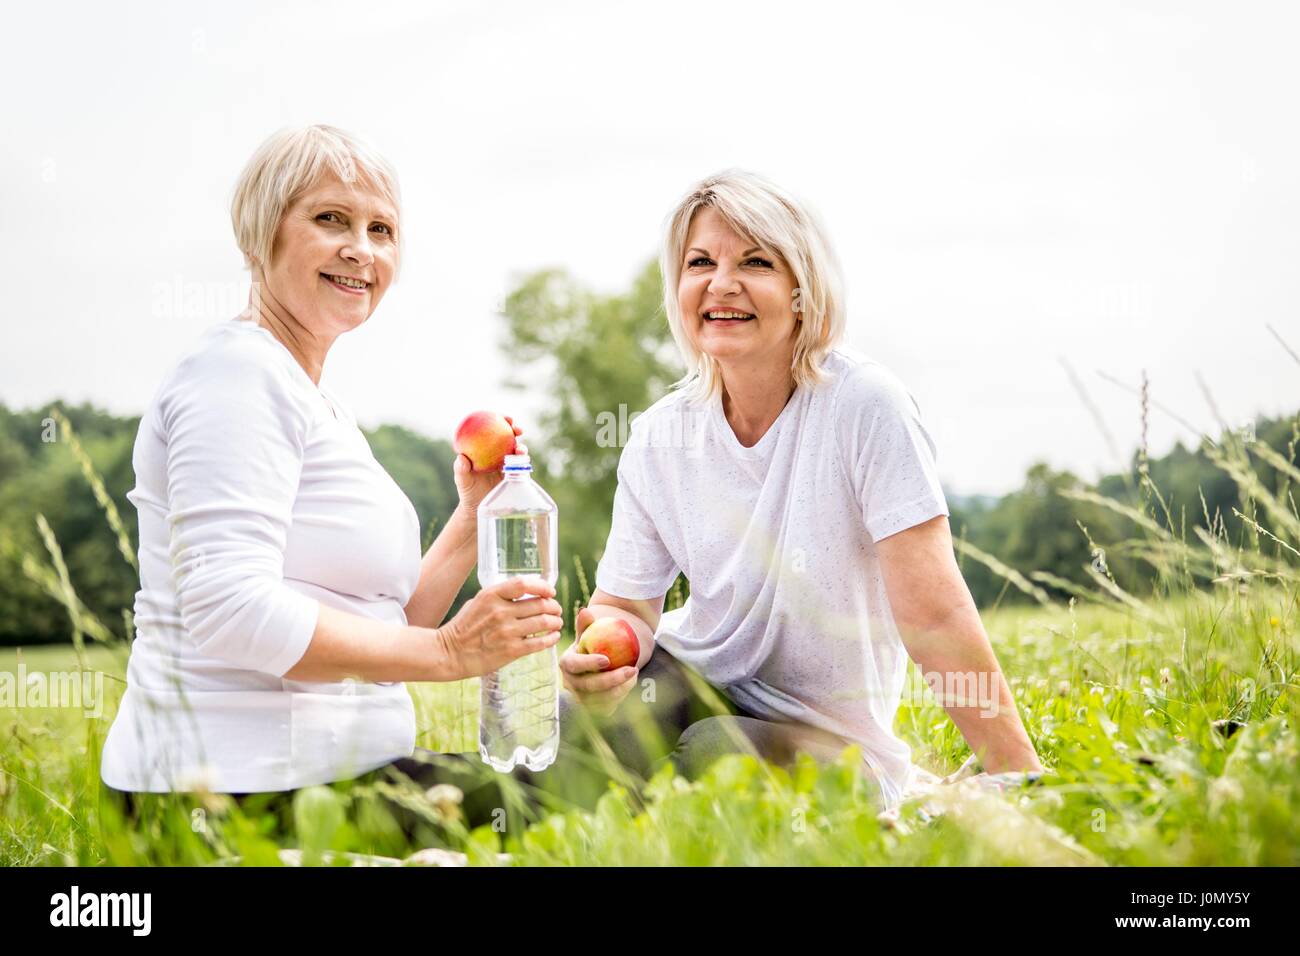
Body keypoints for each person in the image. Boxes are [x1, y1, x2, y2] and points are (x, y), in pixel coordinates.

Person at [98, 125, 565, 842]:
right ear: (261, 235)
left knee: (596, 781)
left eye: (382, 230)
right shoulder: (235, 374)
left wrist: (472, 517)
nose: (362, 249)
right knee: (583, 801)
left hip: (333, 779)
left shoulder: (315, 401)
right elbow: (227, 609)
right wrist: (451, 654)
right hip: (231, 797)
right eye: (331, 220)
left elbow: (381, 632)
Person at [557, 169, 1045, 814]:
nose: (721, 283)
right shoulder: (658, 435)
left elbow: (935, 615)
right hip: (694, 678)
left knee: (713, 752)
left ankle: (631, 811)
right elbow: (627, 610)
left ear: (801, 291)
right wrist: (603, 661)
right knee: (588, 727)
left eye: (755, 261)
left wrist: (1016, 772)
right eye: (700, 262)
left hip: (828, 741)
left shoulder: (867, 405)